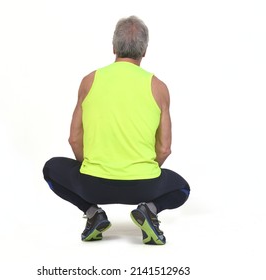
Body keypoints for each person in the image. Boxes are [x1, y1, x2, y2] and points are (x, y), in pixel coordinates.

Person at [43, 16, 190, 245]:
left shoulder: (89, 81)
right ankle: (149, 210)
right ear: (144, 50)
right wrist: (143, 171)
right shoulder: (159, 88)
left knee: (51, 168)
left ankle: (93, 214)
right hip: (144, 187)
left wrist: (87, 167)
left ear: (113, 47)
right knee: (182, 188)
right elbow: (164, 148)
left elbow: (74, 139)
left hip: (93, 186)